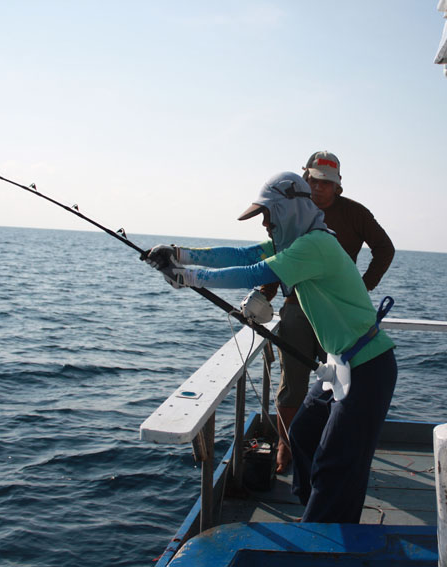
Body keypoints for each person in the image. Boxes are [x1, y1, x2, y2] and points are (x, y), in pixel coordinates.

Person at [144, 172, 397, 524]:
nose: (264, 223)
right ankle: (317, 516)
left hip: (368, 367)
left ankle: (326, 538)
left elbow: (254, 272)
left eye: (268, 214)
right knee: (304, 434)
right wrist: (179, 254)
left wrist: (189, 277)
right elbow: (241, 253)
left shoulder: (315, 246)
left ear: (289, 209)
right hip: (341, 366)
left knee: (336, 463)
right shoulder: (299, 242)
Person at [264, 151, 395, 474]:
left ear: (338, 187)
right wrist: (264, 296)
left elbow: (384, 248)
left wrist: (364, 287)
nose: (318, 187)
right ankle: (286, 444)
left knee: (339, 384)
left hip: (337, 317)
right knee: (292, 383)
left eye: (326, 183)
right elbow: (274, 258)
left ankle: (330, 444)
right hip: (296, 308)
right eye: (312, 180)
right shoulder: (291, 210)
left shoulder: (355, 213)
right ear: (303, 179)